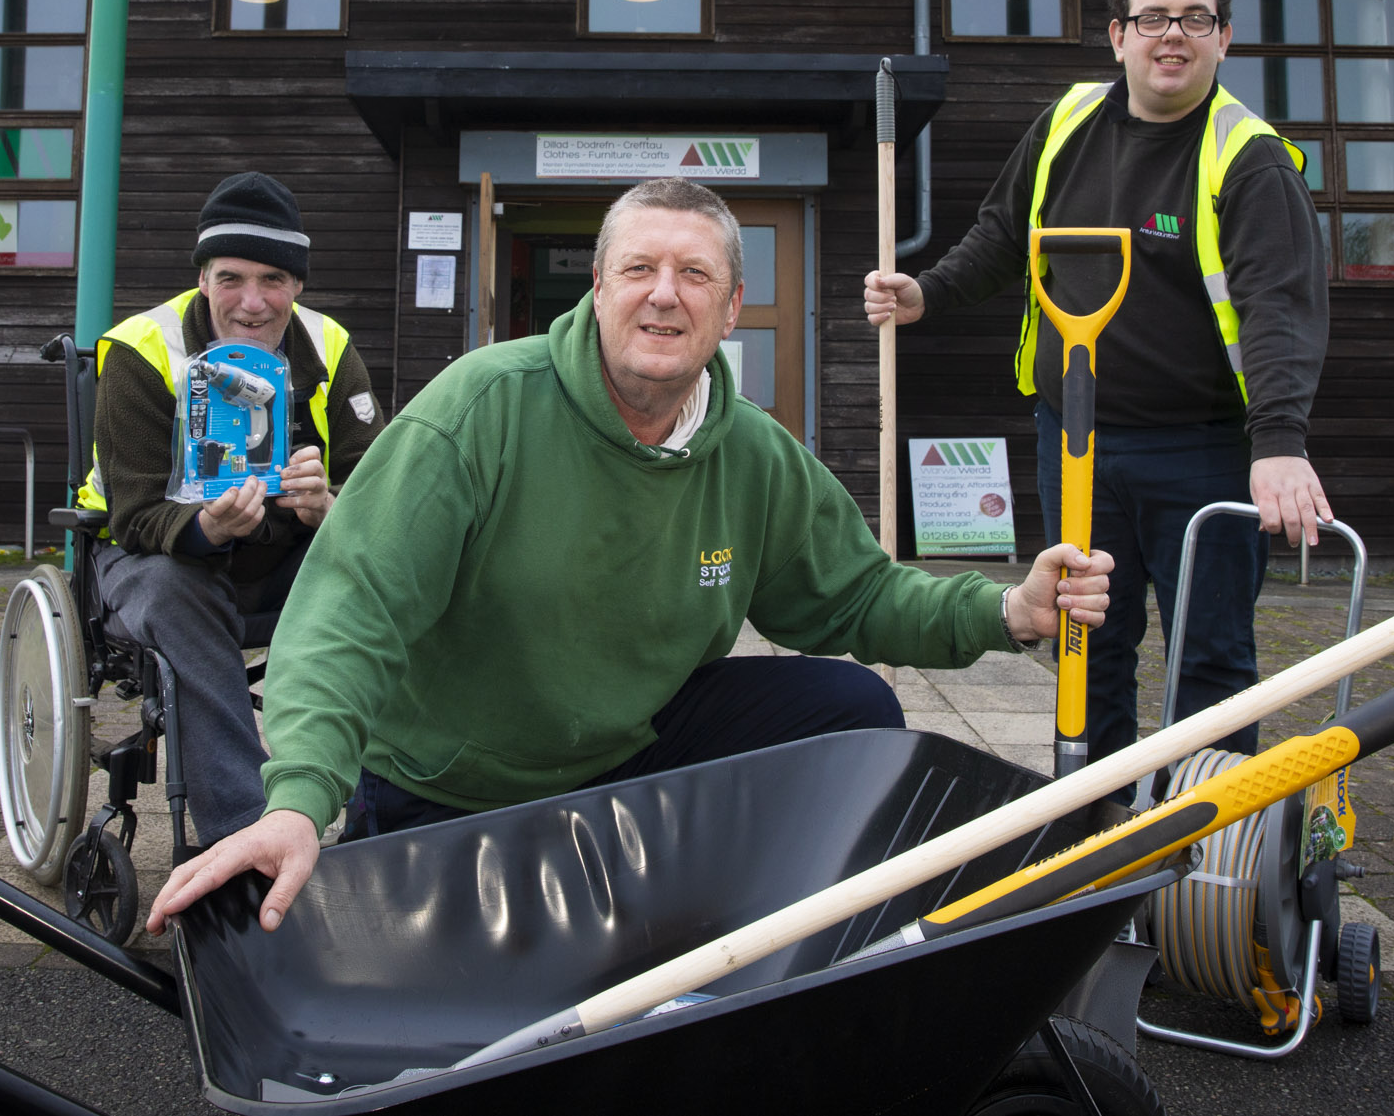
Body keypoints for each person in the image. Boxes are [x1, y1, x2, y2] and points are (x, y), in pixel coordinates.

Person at [145, 177, 1113, 934]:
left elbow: (855, 598)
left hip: (624, 751)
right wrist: (301, 800)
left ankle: (760, 928)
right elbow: (351, 605)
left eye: (694, 276)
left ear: (731, 308)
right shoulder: (480, 411)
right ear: (597, 288)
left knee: (851, 709)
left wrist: (1007, 615)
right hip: (455, 780)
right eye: (639, 269)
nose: (664, 295)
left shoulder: (754, 456)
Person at [863, 0, 1331, 764]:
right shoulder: (1066, 122)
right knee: (1088, 643)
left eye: (1195, 19)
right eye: (1153, 18)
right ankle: (1091, 823)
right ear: (1118, 35)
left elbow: (1278, 309)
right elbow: (1005, 235)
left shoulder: (1248, 157)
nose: (1171, 36)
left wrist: (1280, 444)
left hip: (1202, 451)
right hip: (1073, 440)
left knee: (1210, 654)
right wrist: (926, 292)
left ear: (1224, 38)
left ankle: (1201, 842)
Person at [81, 171, 382, 844]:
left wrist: (332, 504)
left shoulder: (328, 346)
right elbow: (132, 510)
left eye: (273, 278)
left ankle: (388, 808)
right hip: (154, 556)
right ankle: (244, 838)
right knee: (173, 590)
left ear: (297, 283)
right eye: (231, 278)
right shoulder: (142, 348)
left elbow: (377, 480)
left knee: (391, 570)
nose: (252, 302)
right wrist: (203, 526)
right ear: (203, 276)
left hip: (280, 555)